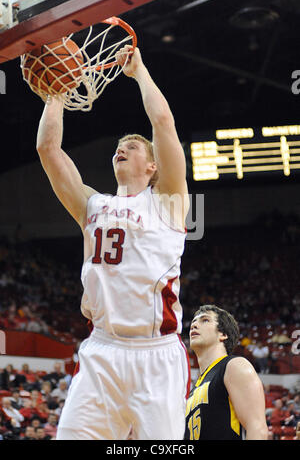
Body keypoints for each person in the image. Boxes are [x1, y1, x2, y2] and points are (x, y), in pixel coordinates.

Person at [35, 44, 190, 440]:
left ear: (152, 166)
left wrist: (139, 73)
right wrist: (56, 95)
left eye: (133, 146)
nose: (121, 148)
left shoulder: (168, 201)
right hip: (102, 349)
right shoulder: (93, 205)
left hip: (155, 354)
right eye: (119, 146)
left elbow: (164, 123)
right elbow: (48, 150)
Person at [185, 305, 268, 440]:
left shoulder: (234, 366)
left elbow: (257, 429)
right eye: (193, 322)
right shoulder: (195, 388)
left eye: (204, 320)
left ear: (223, 334)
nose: (194, 325)